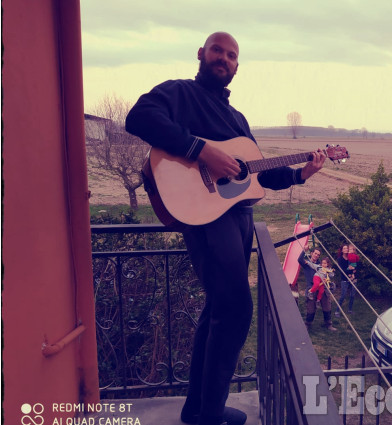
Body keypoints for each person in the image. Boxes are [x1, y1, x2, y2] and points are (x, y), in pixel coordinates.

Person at [125, 32, 326, 425]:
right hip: (206, 220)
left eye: (232, 55)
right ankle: (210, 415)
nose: (224, 58)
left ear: (237, 66)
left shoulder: (237, 120)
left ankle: (197, 408)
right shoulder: (180, 93)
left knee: (218, 308)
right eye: (217, 50)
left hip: (238, 219)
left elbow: (256, 176)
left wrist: (303, 172)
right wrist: (203, 152)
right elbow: (138, 117)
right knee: (236, 309)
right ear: (201, 54)